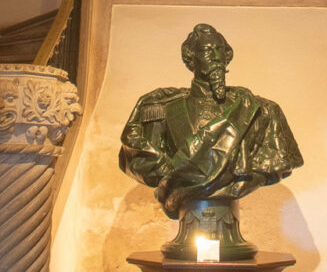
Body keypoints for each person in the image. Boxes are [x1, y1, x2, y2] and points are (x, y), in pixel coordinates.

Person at [119, 23, 303, 259]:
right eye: (207, 51)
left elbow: (278, 162)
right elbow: (143, 161)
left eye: (220, 50)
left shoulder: (259, 111)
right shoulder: (162, 109)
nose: (216, 57)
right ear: (191, 59)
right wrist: (175, 173)